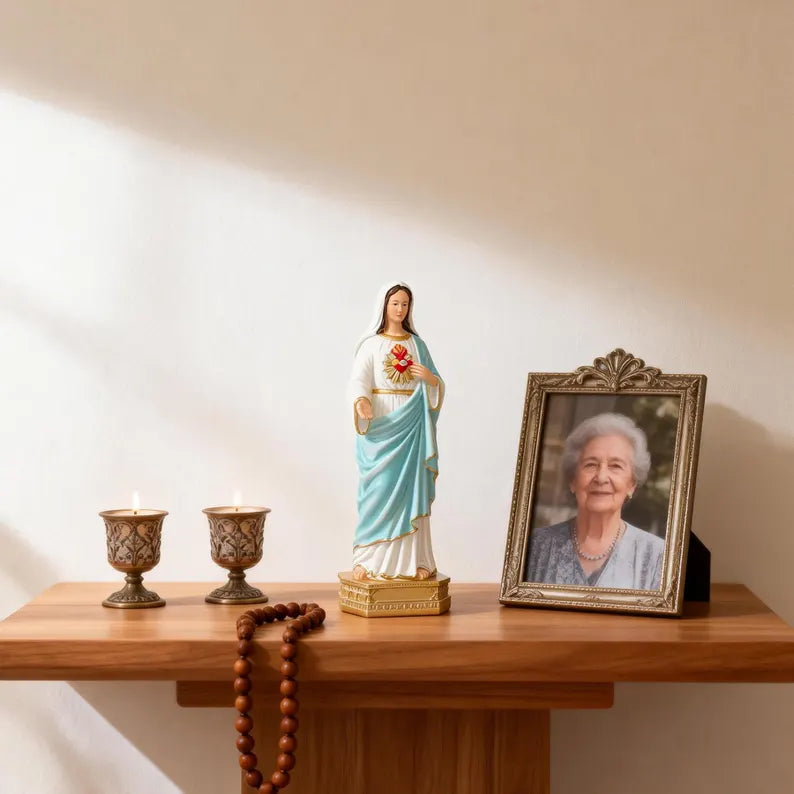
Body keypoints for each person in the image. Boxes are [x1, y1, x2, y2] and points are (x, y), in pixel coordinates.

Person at [348, 282, 444, 581]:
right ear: (384, 306)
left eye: (405, 304)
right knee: (378, 490)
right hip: (382, 422)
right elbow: (358, 380)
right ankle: (368, 558)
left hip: (412, 423)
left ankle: (416, 561)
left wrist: (431, 379)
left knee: (410, 491)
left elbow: (436, 384)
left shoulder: (418, 345)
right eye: (395, 304)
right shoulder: (371, 344)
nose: (400, 309)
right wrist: (362, 402)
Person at [525, 412, 664, 589]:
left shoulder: (658, 555)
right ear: (573, 481)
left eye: (615, 466)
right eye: (591, 464)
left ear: (632, 485)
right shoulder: (535, 546)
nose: (601, 477)